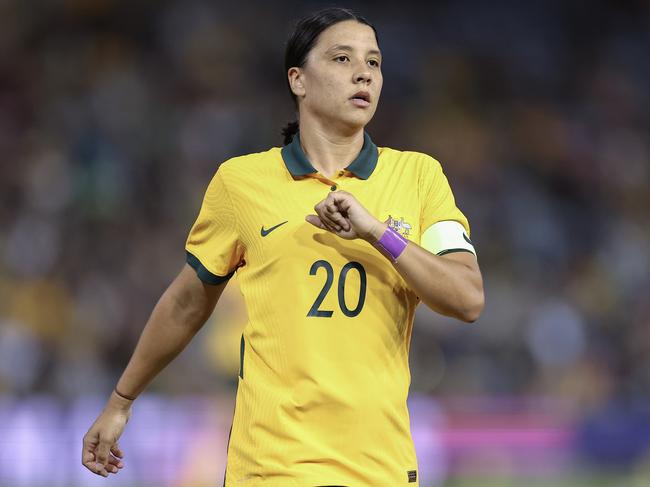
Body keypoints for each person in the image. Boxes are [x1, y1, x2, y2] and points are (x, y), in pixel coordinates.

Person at [82, 7, 484, 486]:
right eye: (341, 58)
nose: (364, 73)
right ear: (298, 79)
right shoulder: (241, 183)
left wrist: (379, 233)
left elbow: (467, 299)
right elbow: (188, 302)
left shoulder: (418, 177)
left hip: (379, 469)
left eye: (374, 63)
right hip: (270, 468)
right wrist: (121, 402)